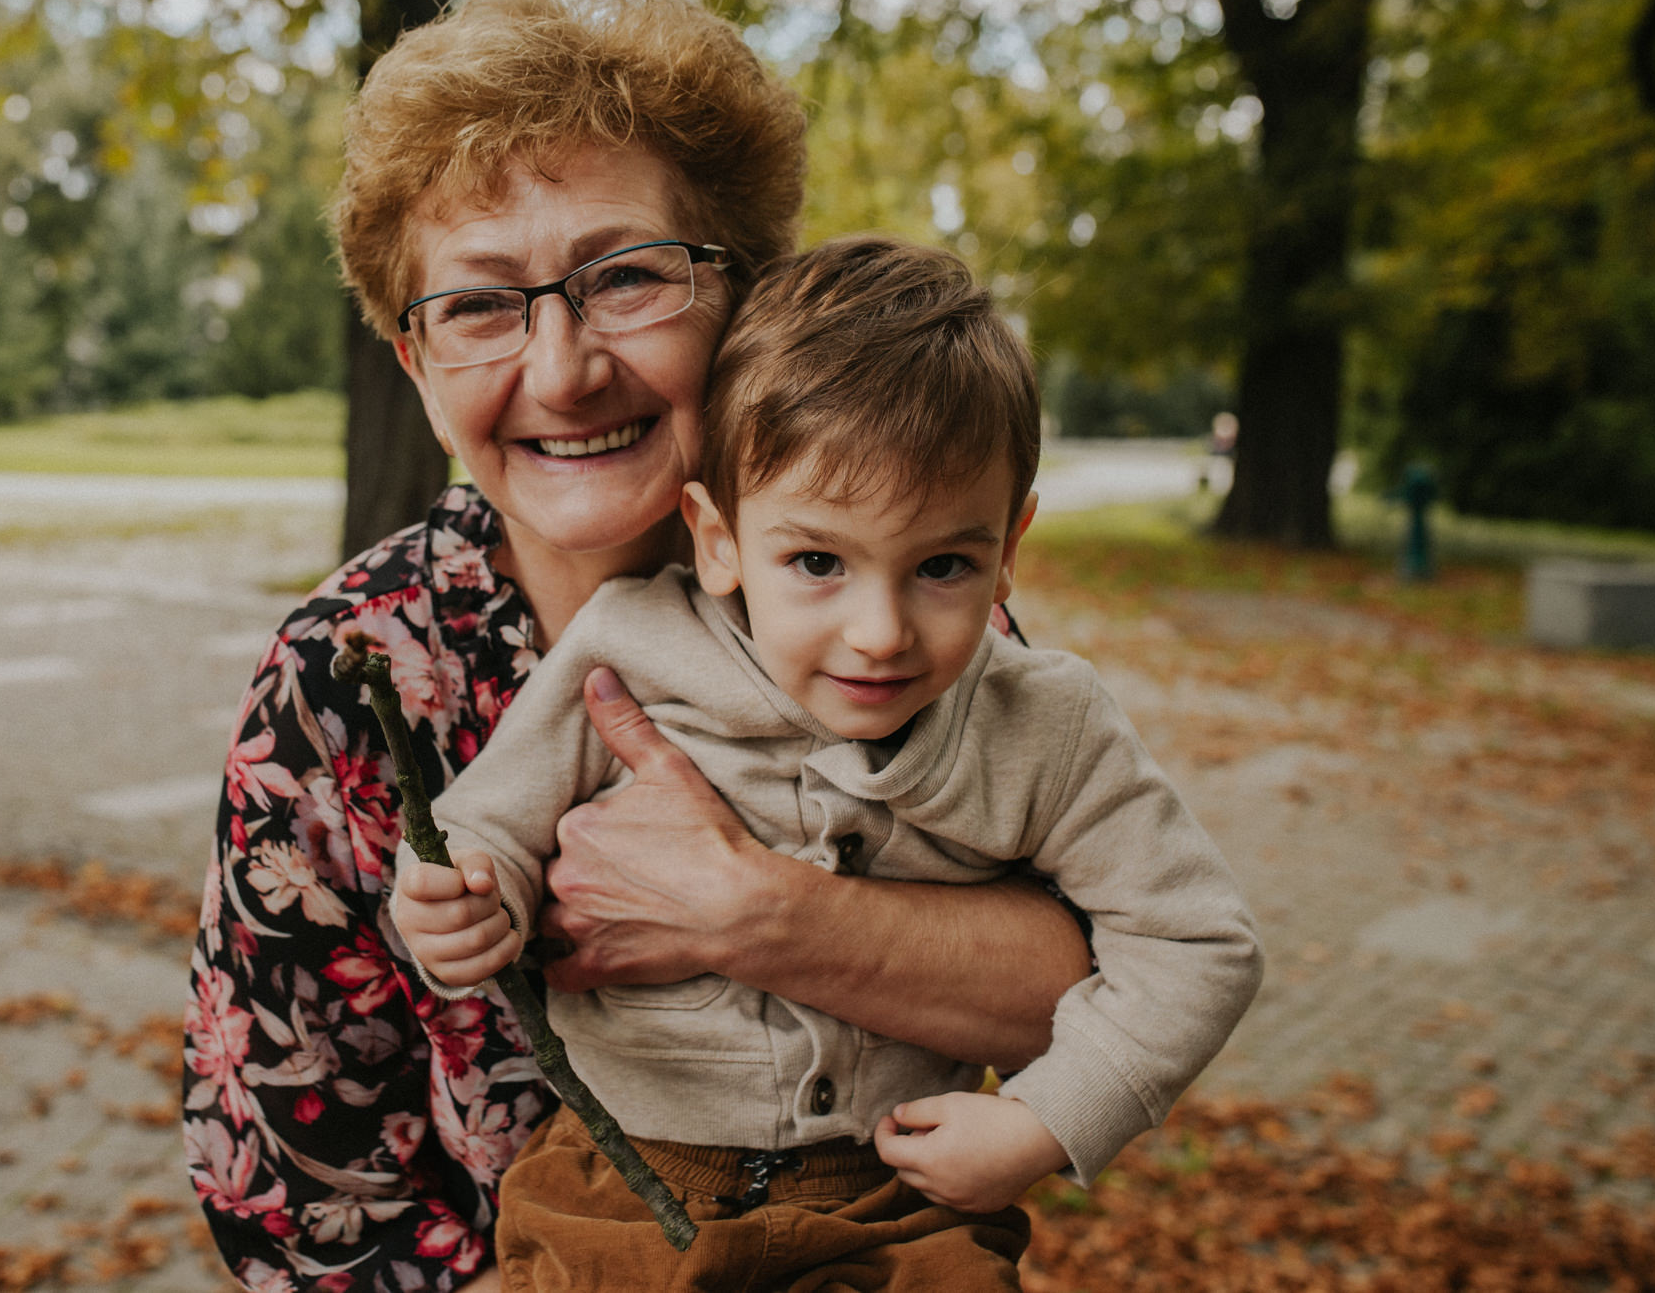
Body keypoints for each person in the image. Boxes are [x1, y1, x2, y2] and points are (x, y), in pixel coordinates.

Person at [181, 0, 1096, 1293]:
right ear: (418, 371)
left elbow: (1098, 983)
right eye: (482, 305)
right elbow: (288, 1189)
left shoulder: (879, 599)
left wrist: (759, 913)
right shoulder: (349, 678)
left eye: (625, 277)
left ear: (745, 301)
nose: (562, 369)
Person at [391, 236, 1265, 1292]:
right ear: (716, 539)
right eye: (815, 563)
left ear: (1010, 543)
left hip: (896, 1208)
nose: (879, 632)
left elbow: (1195, 943)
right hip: (620, 1185)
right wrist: (464, 899)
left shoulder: (1043, 723)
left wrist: (1046, 1115)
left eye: (942, 565)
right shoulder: (628, 647)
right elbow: (489, 826)